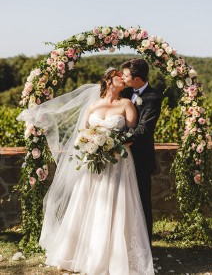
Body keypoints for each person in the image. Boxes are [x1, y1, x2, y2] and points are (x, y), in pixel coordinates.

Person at [18, 68, 155, 274]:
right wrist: (91, 145)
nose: (123, 81)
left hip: (117, 164)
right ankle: (85, 254)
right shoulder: (92, 106)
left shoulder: (127, 104)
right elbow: (82, 135)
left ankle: (113, 257)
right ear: (109, 81)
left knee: (116, 206)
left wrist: (112, 145)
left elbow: (132, 135)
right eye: (120, 78)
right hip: (94, 164)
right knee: (89, 204)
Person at [121, 58, 161, 244]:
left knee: (142, 200)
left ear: (137, 79)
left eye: (126, 75)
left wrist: (119, 141)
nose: (123, 77)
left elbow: (144, 129)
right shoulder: (126, 92)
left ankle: (146, 244)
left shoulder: (153, 98)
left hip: (140, 158)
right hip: (122, 157)